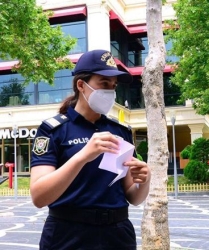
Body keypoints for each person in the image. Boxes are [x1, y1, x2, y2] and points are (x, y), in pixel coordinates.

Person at [30, 49, 151, 250]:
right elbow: (39, 197)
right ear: (81, 85)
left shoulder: (120, 131)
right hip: (68, 235)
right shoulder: (53, 130)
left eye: (113, 86)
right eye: (104, 83)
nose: (110, 91)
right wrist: (83, 156)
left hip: (117, 235)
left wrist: (144, 181)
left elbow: (133, 197)